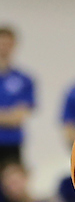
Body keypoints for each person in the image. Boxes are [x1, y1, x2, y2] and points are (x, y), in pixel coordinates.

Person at [0, 28, 35, 171]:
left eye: (8, 43)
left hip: (12, 145)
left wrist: (11, 117)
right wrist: (8, 115)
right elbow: (12, 116)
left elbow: (19, 116)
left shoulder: (24, 80)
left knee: (12, 188)